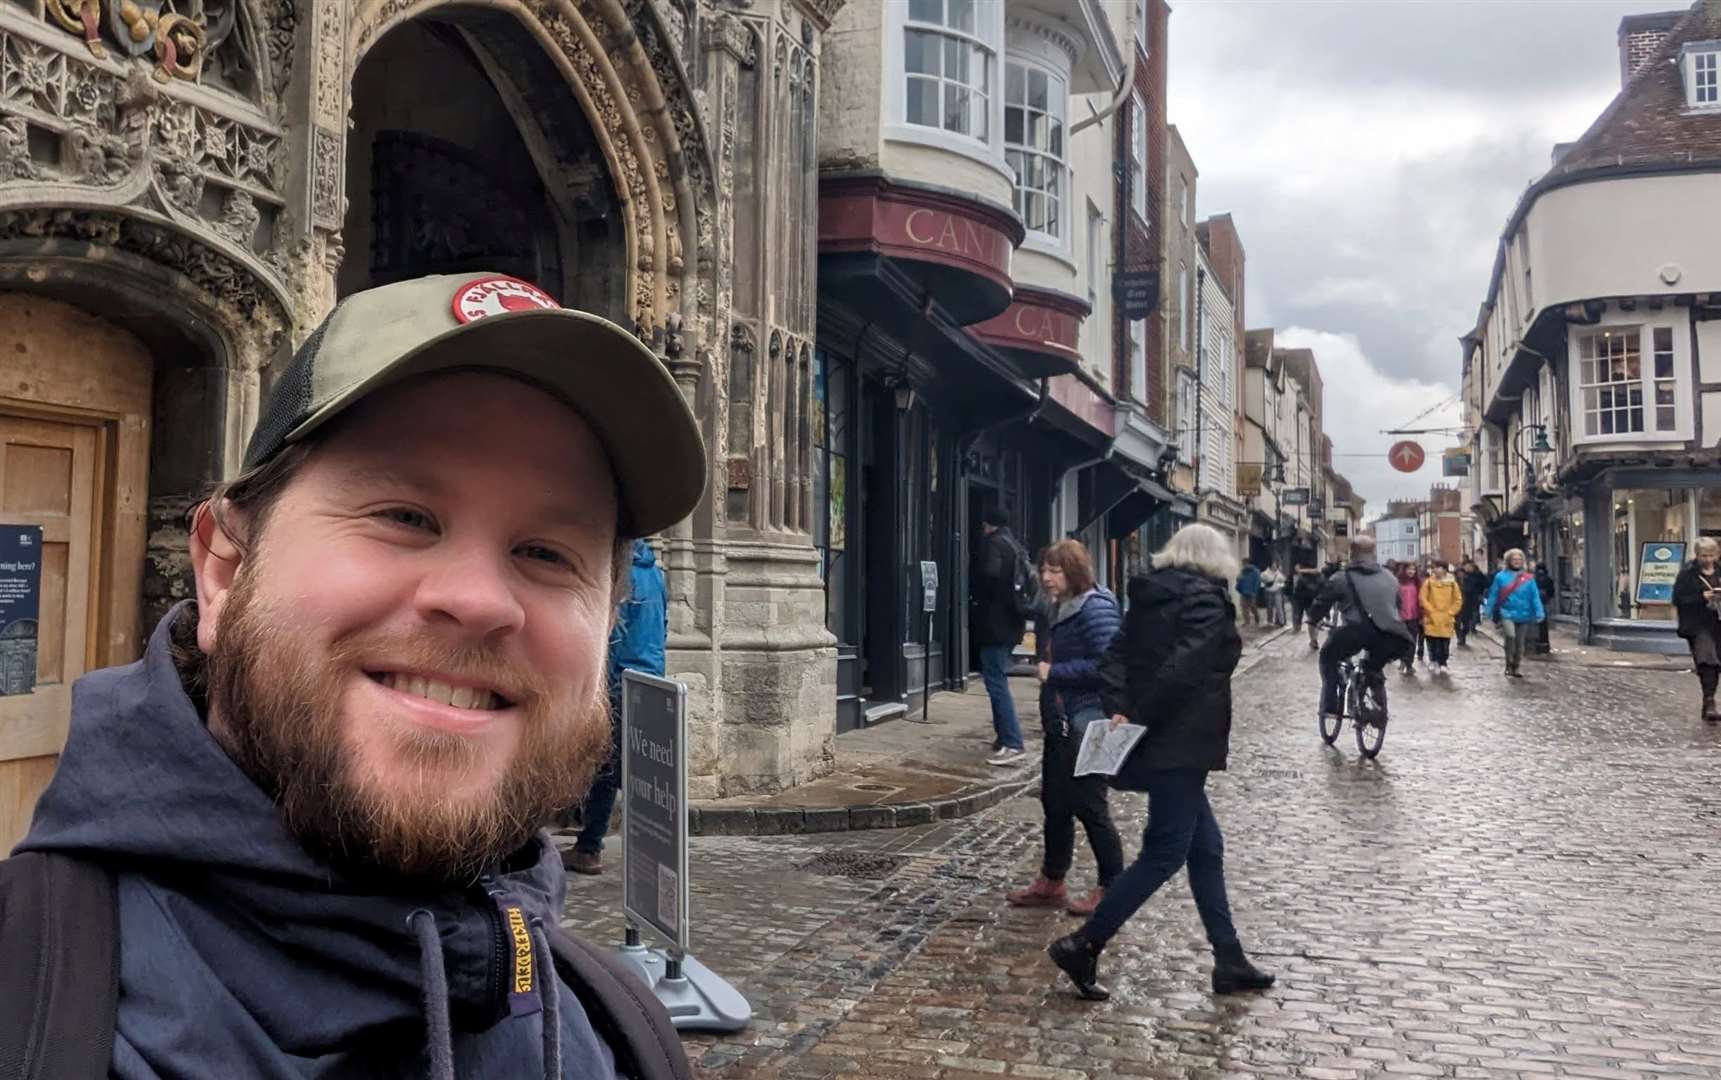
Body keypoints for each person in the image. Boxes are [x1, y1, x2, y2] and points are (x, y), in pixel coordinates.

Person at [0, 274, 704, 1077]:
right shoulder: (30, 1005)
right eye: (403, 516)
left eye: (546, 553)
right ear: (224, 571)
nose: (478, 602)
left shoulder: (619, 1035)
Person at [1046, 524, 1274, 1002]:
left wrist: (1122, 709)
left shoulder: (1148, 596)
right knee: (1166, 851)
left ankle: (1228, 957)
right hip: (1181, 743)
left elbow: (1113, 659)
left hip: (1159, 741)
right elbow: (1184, 670)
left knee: (1205, 848)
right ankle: (1084, 943)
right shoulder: (1207, 601)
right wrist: (1142, 713)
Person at [1007, 540, 1125, 917]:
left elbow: (1109, 665)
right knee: (1055, 803)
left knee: (1090, 806)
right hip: (1061, 721)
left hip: (1091, 722)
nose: (1046, 577)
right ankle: (1052, 881)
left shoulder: (1096, 609)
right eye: (1044, 570)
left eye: (1055, 571)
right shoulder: (1061, 607)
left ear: (1074, 572)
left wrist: (1053, 672)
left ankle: (1113, 887)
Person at [565, 538, 667, 875]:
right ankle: (591, 827)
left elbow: (609, 635)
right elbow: (661, 627)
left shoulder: (620, 577)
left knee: (606, 769)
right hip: (651, 682)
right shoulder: (657, 575)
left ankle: (589, 847)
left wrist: (595, 688)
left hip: (619, 681)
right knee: (632, 768)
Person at [1309, 536, 1413, 727]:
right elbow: (1398, 606)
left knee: (1327, 656)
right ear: (1374, 554)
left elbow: (1322, 602)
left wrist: (1313, 619)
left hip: (1356, 632)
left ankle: (1330, 705)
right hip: (1393, 636)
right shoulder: (1390, 578)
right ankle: (1376, 701)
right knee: (1373, 666)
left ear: (1351, 554)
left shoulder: (1342, 577)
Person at [974, 504, 1030, 765]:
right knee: (997, 678)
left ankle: (1012, 741)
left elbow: (990, 576)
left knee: (996, 682)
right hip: (1012, 624)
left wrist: (978, 599)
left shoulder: (994, 544)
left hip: (995, 624)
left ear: (988, 523)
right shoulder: (1015, 545)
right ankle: (1003, 737)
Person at [1672, 537, 1721, 723]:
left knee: (1717, 661)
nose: (1708, 559)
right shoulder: (1687, 574)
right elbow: (1678, 599)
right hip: (1698, 624)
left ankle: (1709, 700)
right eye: (1704, 555)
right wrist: (1702, 596)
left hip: (1718, 622)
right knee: (1707, 660)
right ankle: (1709, 701)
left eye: (1711, 555)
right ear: (1697, 554)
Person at [1482, 548, 1546, 678]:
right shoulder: (1500, 577)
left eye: (1519, 559)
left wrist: (1539, 612)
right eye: (1514, 559)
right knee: (1510, 636)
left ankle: (1516, 666)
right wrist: (1487, 611)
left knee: (1520, 642)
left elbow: (1535, 597)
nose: (1517, 562)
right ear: (1508, 561)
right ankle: (1508, 663)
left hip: (1524, 613)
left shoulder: (1529, 578)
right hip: (1507, 612)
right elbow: (1494, 595)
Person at [1419, 563, 1463, 676]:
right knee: (1432, 641)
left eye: (1439, 568)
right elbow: (1423, 598)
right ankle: (1433, 660)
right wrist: (1430, 610)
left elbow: (1458, 599)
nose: (1436, 570)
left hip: (1446, 617)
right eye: (1435, 568)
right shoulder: (1428, 583)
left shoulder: (1452, 583)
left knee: (1445, 643)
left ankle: (1443, 662)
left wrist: (1451, 612)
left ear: (1444, 570)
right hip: (1432, 617)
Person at [1396, 563, 1423, 675]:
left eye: (1413, 569)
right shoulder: (1398, 583)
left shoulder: (1418, 583)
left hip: (1414, 616)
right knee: (1402, 641)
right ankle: (1402, 659)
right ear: (1404, 570)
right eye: (1409, 569)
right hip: (1401, 616)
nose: (1411, 571)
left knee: (1412, 641)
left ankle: (1409, 663)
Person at [1457, 558, 1489, 648]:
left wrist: (1480, 594)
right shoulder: (1458, 574)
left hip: (1471, 600)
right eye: (1467, 566)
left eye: (1470, 566)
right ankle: (1460, 637)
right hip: (1458, 601)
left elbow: (1485, 584)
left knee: (1468, 620)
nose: (1468, 568)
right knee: (1458, 622)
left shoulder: (1478, 575)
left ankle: (1464, 633)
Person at [1291, 560, 1322, 648]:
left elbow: (1297, 593)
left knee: (1311, 622)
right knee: (1315, 621)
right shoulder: (1319, 577)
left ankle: (1313, 640)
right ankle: (1315, 639)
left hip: (1305, 602)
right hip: (1316, 602)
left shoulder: (1302, 578)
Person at [1533, 563, 1556, 655]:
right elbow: (1551, 592)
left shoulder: (1534, 579)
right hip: (1543, 604)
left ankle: (1537, 644)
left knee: (1535, 625)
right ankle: (1544, 645)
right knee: (1543, 625)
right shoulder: (1548, 579)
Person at [1235, 561, 1262, 625]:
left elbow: (1257, 582)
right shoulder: (1243, 571)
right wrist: (1238, 587)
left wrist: (1254, 591)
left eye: (1243, 563)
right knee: (1245, 607)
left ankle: (1255, 618)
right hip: (1245, 592)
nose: (1243, 565)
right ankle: (1248, 621)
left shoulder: (1255, 571)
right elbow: (1239, 580)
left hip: (1250, 592)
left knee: (1251, 607)